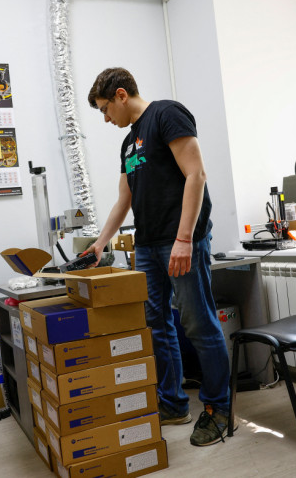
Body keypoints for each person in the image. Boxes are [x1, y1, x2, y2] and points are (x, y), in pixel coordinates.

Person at [83, 67, 234, 446]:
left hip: (180, 239)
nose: (105, 118)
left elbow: (196, 175)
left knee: (197, 322)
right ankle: (174, 403)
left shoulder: (167, 114)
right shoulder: (128, 144)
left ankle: (218, 408)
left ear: (121, 95)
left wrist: (184, 239)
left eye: (104, 109)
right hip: (148, 245)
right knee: (157, 323)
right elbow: (125, 199)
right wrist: (100, 243)